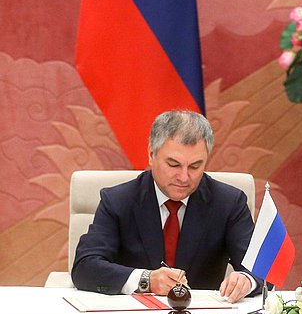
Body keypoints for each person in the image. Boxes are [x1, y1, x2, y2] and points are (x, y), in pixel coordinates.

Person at [71, 110, 261, 303]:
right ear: (152, 155)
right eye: (173, 164)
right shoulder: (118, 201)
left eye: (195, 166)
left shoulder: (228, 203)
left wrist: (246, 280)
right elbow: (85, 267)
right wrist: (146, 280)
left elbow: (262, 269)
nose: (184, 177)